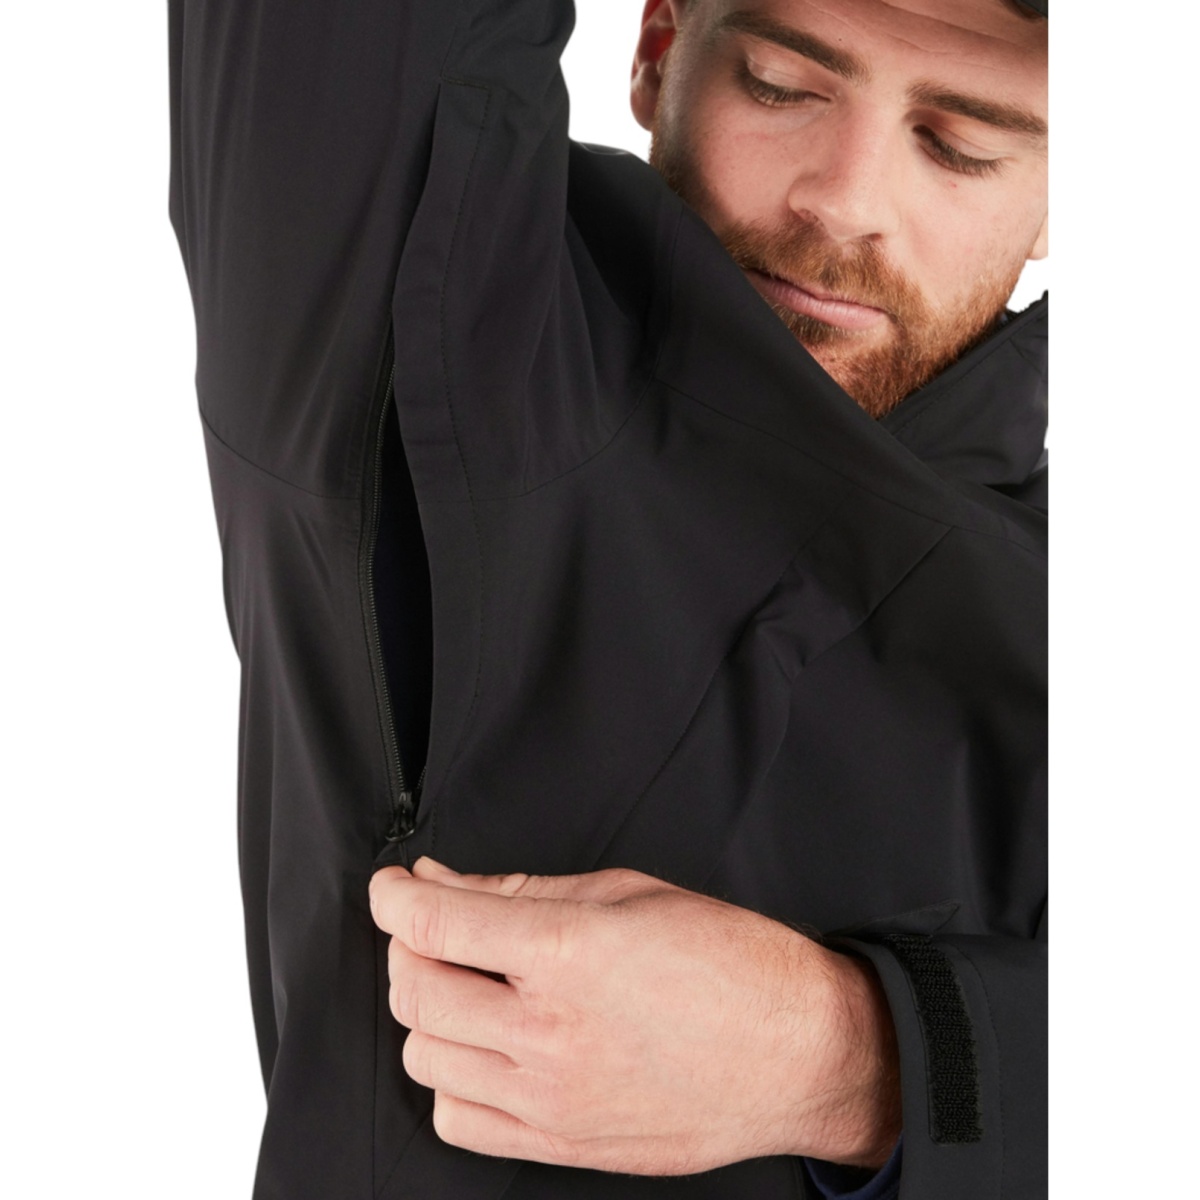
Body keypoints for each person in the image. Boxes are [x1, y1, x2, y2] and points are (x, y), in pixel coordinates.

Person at [168, 0, 1047, 1197]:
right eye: (780, 85)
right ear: (657, 52)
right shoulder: (461, 350)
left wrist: (851, 1059)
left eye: (959, 146)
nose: (844, 201)